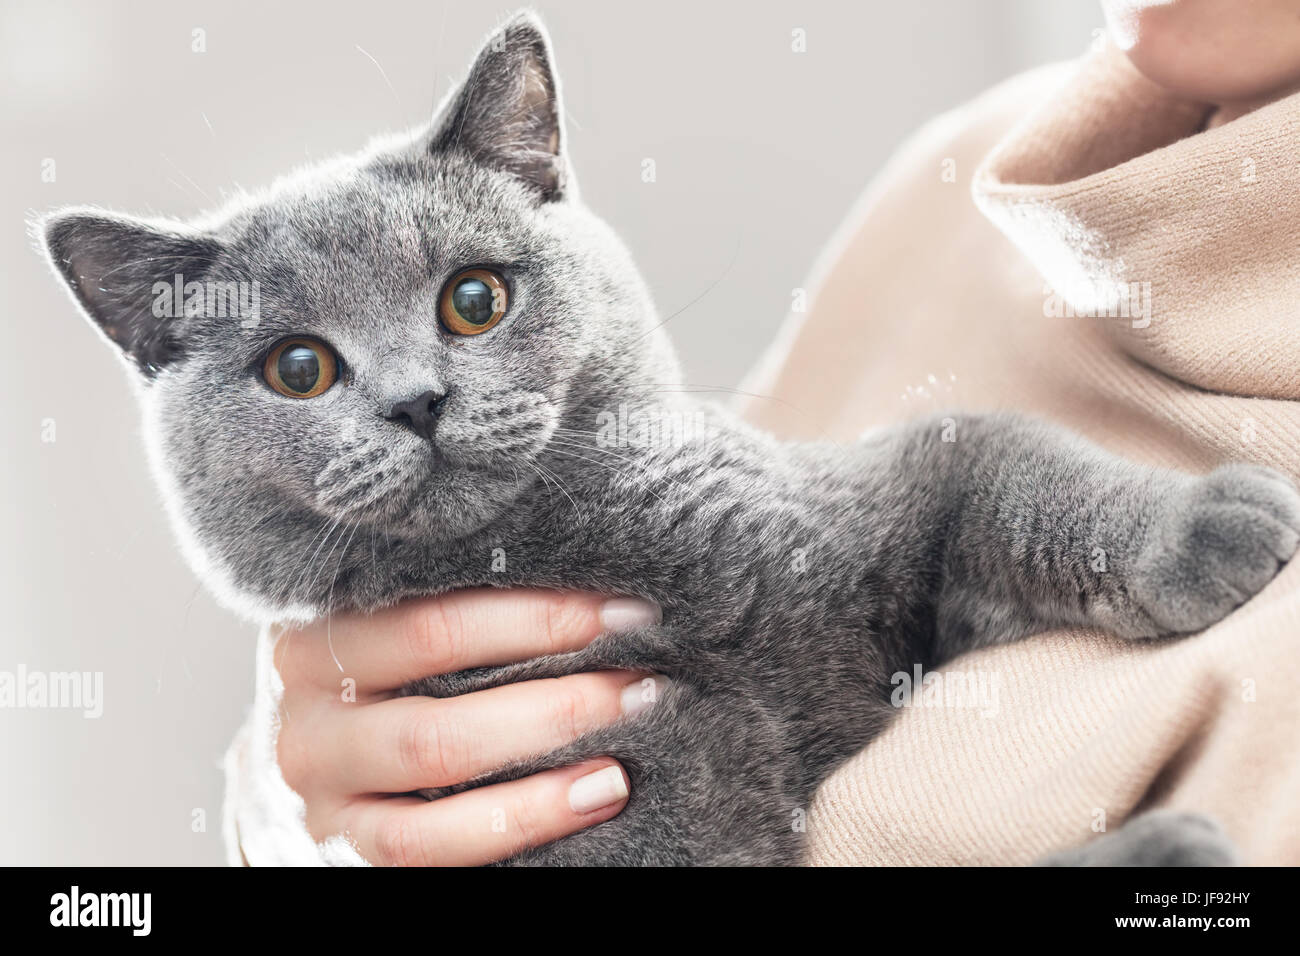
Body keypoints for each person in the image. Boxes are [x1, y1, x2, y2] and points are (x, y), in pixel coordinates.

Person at [226, 0, 1300, 865]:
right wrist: (302, 811)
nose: (412, 394)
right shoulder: (949, 188)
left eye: (467, 305)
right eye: (304, 369)